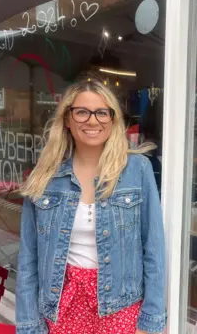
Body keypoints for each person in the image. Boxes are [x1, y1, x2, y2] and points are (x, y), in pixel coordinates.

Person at [15, 79, 166, 334]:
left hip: (121, 308)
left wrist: (151, 321)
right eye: (82, 112)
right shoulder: (45, 176)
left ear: (112, 119)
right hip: (62, 307)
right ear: (67, 118)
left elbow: (153, 248)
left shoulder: (137, 170)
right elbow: (29, 258)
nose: (92, 121)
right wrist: (29, 324)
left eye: (102, 112)